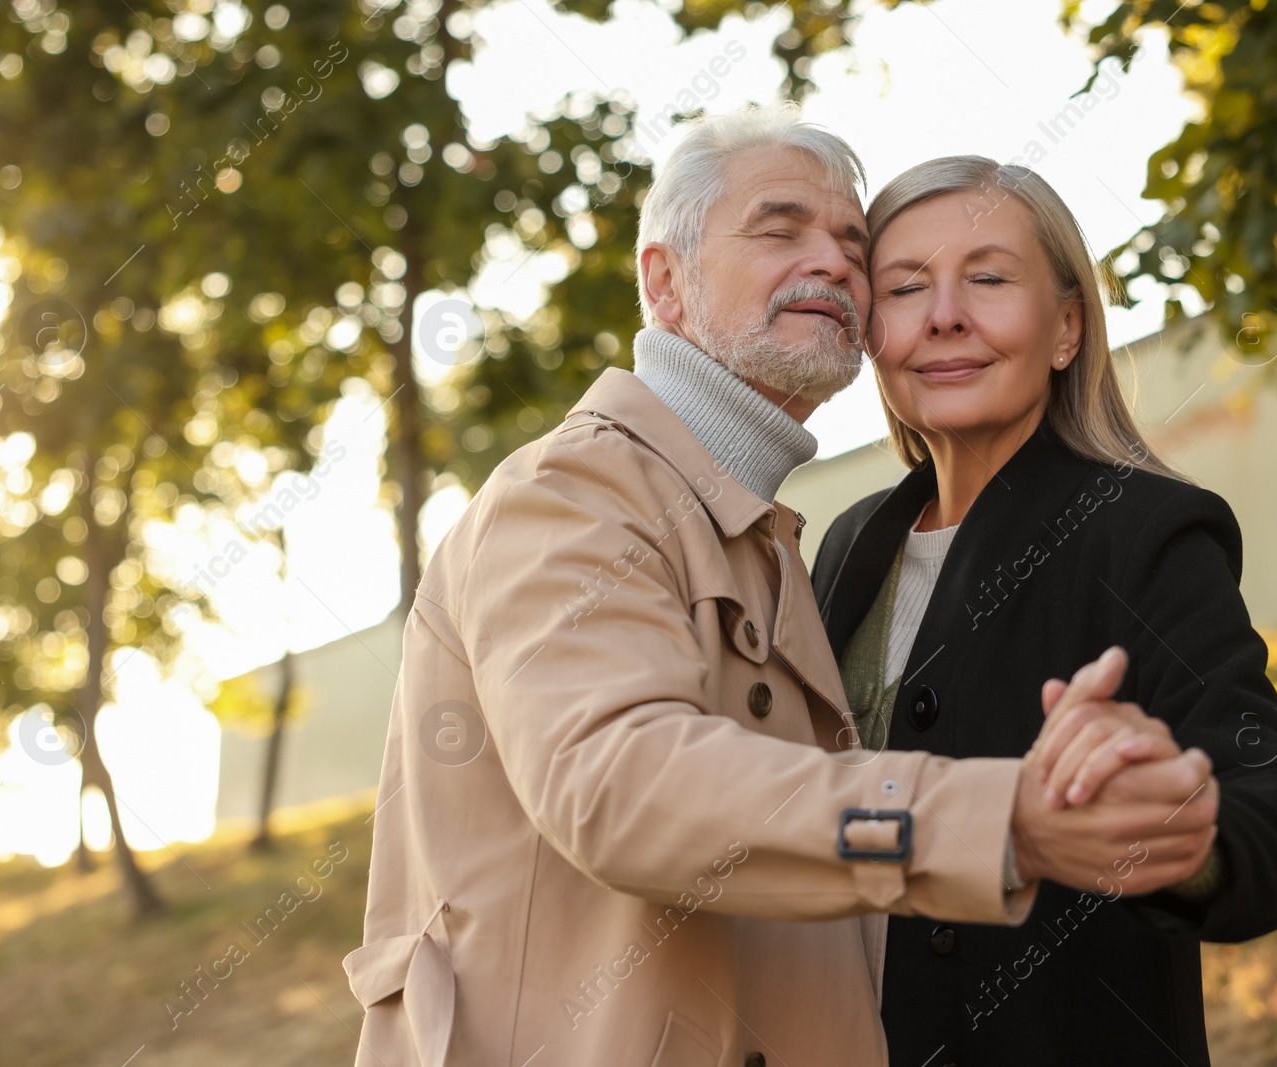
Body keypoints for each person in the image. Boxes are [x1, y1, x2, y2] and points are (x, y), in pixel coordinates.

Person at [343, 109, 1215, 1067]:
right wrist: (997, 818)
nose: (835, 263)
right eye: (779, 227)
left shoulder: (764, 536)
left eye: (852, 243)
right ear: (664, 283)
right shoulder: (573, 493)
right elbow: (621, 787)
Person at [811, 155, 1277, 1066]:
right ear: (874, 334)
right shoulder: (846, 542)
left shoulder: (1141, 531)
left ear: (1066, 326)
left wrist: (1185, 828)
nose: (945, 313)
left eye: (987, 278)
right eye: (906, 287)